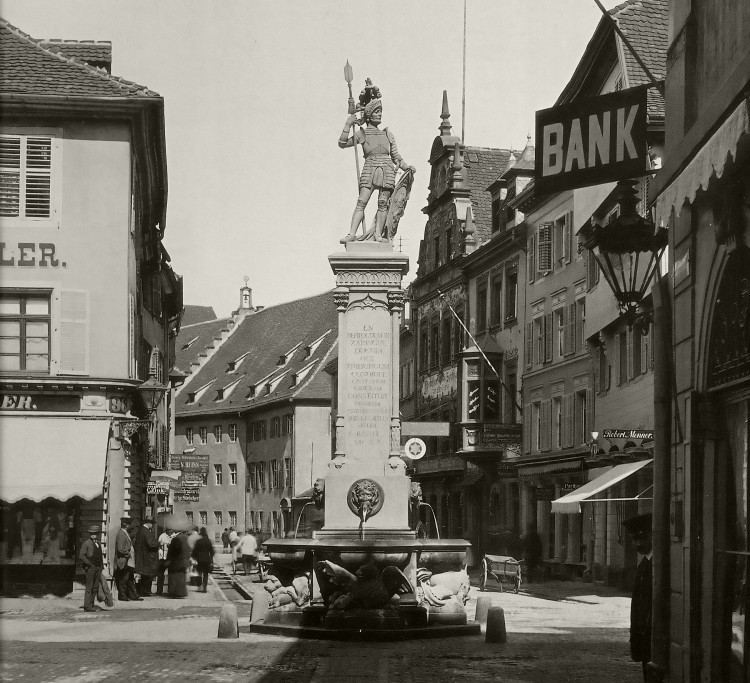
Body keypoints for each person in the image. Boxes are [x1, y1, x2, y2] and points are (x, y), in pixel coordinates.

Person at [338, 79, 415, 243]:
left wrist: (406, 166)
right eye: (376, 111)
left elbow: (396, 157)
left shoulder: (388, 134)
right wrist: (348, 123)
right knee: (362, 201)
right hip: (370, 167)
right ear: (368, 114)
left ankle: (378, 235)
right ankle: (352, 234)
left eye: (380, 111)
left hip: (386, 168)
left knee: (383, 203)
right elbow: (342, 143)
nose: (380, 114)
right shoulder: (363, 133)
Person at [623, 513, 653, 681]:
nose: (639, 543)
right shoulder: (644, 563)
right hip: (645, 639)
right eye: (635, 539)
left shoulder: (656, 564)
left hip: (653, 639)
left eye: (643, 537)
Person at [113, 517, 141, 601]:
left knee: (129, 578)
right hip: (124, 560)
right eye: (130, 525)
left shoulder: (124, 533)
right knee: (124, 578)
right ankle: (122, 595)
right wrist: (128, 554)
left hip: (127, 560)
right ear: (127, 525)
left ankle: (133, 595)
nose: (131, 527)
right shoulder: (122, 534)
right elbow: (120, 549)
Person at [79, 525, 105, 612]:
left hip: (98, 568)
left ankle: (92, 604)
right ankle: (87, 606)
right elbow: (81, 555)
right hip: (90, 568)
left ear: (97, 534)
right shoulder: (86, 543)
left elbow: (100, 556)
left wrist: (101, 566)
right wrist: (89, 564)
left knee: (95, 587)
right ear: (89, 534)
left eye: (95, 534)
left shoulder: (98, 543)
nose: (93, 535)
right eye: (92, 534)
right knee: (89, 587)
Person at [134, 518, 159, 596]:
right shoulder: (146, 531)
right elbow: (151, 543)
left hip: (142, 556)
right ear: (148, 523)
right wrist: (159, 543)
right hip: (147, 557)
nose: (153, 525)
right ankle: (144, 591)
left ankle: (142, 591)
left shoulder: (141, 530)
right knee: (147, 575)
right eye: (152, 524)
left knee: (144, 575)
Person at [166, 527, 191, 598]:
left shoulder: (176, 539)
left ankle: (175, 592)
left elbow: (174, 550)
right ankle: (181, 592)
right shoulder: (186, 538)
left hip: (176, 561)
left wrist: (169, 559)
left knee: (175, 577)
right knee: (181, 578)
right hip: (184, 561)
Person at [192, 527, 214, 592]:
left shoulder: (198, 541)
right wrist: (211, 558)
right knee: (206, 574)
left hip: (199, 559)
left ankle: (199, 586)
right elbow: (212, 551)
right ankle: (204, 587)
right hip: (207, 559)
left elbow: (195, 551)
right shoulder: (208, 541)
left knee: (199, 573)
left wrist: (194, 557)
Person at [156, 526, 174, 596]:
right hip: (162, 557)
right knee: (160, 574)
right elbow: (158, 544)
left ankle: (170, 591)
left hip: (170, 557)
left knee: (171, 574)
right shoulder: (162, 536)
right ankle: (159, 591)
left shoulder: (174, 537)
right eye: (168, 530)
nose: (169, 531)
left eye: (171, 530)